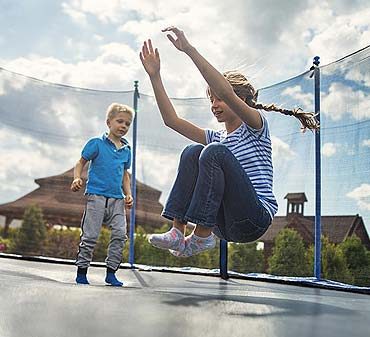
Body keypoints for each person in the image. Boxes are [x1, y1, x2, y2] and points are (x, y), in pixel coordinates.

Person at [140, 27, 319, 258]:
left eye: (219, 99)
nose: (214, 104)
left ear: (240, 100)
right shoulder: (217, 138)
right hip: (223, 224)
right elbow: (171, 121)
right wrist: (155, 76)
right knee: (193, 151)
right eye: (211, 100)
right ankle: (178, 230)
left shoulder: (256, 127)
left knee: (213, 152)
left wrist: (189, 50)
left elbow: (226, 92)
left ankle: (201, 236)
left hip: (253, 219)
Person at [71, 103, 134, 286]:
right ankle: (82, 272)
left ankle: (111, 273)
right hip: (96, 196)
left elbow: (124, 175)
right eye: (120, 121)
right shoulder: (96, 143)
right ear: (109, 122)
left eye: (127, 124)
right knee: (90, 236)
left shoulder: (126, 150)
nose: (123, 126)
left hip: (117, 199)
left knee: (120, 234)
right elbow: (80, 162)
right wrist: (76, 178)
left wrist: (128, 194)